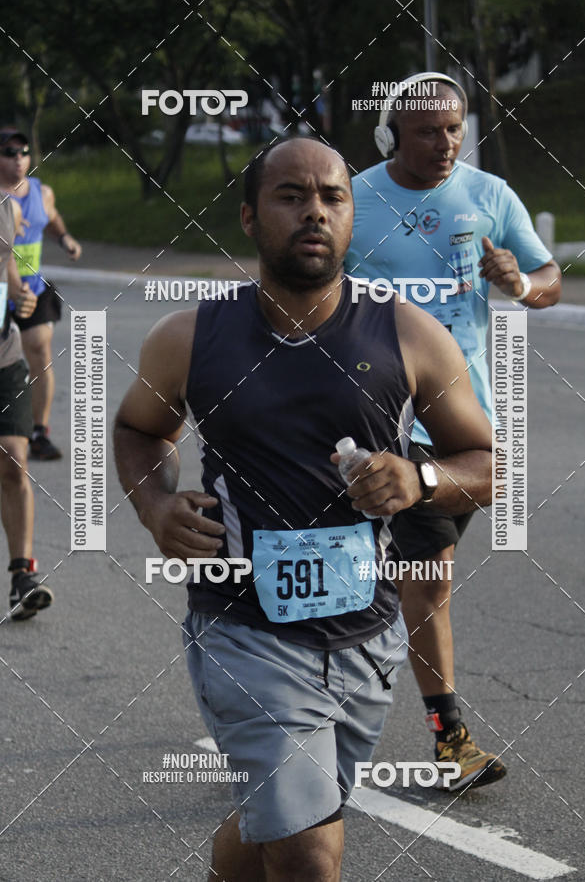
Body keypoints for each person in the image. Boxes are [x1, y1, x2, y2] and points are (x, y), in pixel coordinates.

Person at [113, 137, 492, 881]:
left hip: (366, 634)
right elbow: (138, 428)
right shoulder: (190, 337)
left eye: (332, 197)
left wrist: (420, 480)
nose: (314, 211)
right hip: (241, 629)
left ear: (353, 218)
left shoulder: (409, 335)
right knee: (312, 854)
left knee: (282, 826)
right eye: (291, 196)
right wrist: (154, 505)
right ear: (251, 217)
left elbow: (487, 463)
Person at [346, 71, 562, 791]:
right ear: (391, 136)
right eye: (428, 130)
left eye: (454, 127)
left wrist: (521, 285)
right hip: (369, 418)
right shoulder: (353, 197)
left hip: (461, 422)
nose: (445, 142)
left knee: (414, 579)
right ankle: (450, 736)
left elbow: (547, 278)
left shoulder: (488, 194)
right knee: (424, 578)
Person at [0, 127, 82, 461]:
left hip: (31, 289)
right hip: (4, 291)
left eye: (23, 153)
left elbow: (51, 218)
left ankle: (38, 432)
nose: (18, 160)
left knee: (40, 350)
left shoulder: (40, 192)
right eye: (9, 153)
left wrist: (65, 239)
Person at [0, 191, 53, 619]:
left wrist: (19, 296)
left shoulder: (7, 209)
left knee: (14, 459)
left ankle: (22, 577)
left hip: (4, 357)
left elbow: (8, 263)